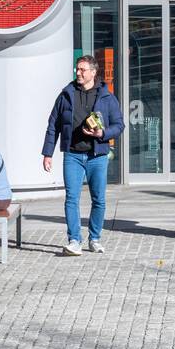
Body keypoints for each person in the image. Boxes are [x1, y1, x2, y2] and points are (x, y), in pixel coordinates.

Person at [42, 54, 124, 256]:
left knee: (99, 199)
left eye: (82, 69)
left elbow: (119, 125)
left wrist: (102, 133)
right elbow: (53, 125)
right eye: (77, 69)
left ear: (93, 72)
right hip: (73, 155)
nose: (78, 72)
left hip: (97, 155)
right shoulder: (66, 95)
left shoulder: (106, 96)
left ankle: (94, 238)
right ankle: (74, 240)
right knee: (71, 198)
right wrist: (47, 153)